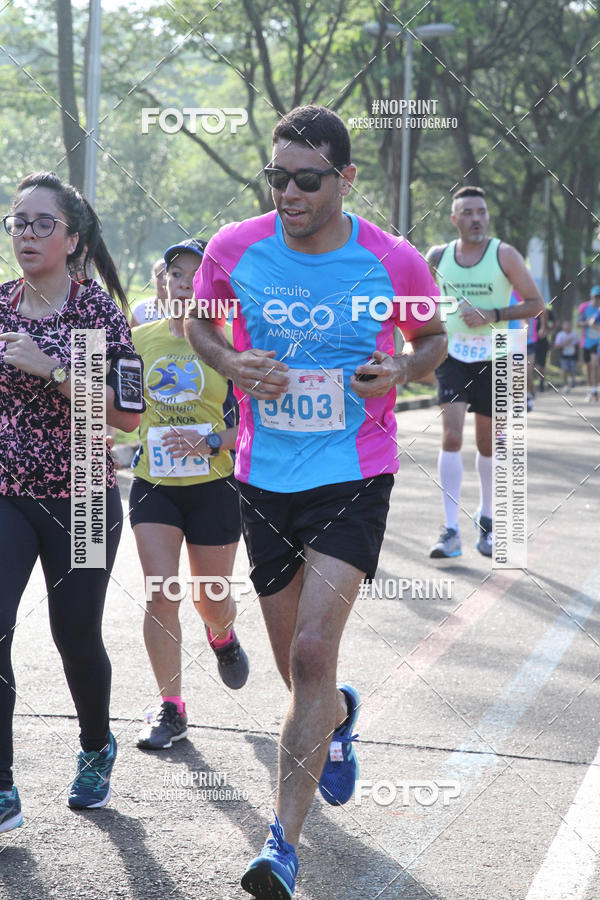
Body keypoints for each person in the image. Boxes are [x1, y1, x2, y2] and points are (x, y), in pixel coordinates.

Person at [186, 105, 447, 899]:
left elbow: (432, 339)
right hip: (265, 477)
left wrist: (402, 372)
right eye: (278, 178)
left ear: (344, 179)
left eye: (306, 179)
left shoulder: (391, 259)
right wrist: (233, 362)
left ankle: (281, 849)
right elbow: (200, 321)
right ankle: (335, 716)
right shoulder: (236, 246)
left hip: (354, 471)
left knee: (307, 652)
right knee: (297, 674)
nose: (289, 193)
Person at [0, 171, 140, 832]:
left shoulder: (98, 313)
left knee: (74, 634)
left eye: (40, 223)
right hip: (8, 493)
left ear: (71, 236)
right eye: (17, 222)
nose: (26, 234)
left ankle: (94, 747)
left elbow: (128, 414)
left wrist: (52, 370)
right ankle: (2, 786)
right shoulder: (0, 305)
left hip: (83, 496)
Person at [130, 237, 248, 752]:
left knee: (211, 599)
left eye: (197, 274)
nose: (185, 282)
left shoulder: (228, 347)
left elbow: (252, 425)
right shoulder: (138, 340)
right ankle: (171, 707)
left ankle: (221, 634)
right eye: (177, 273)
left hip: (214, 486)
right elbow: (123, 409)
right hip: (154, 486)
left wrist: (208, 440)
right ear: (164, 281)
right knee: (161, 591)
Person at [426, 186, 544, 559]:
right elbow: (424, 304)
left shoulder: (503, 254)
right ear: (454, 219)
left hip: (494, 356)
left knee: (488, 443)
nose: (476, 219)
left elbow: (536, 304)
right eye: (468, 213)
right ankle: (449, 530)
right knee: (451, 435)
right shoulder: (438, 256)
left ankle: (488, 520)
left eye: (481, 212)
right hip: (452, 356)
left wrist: (493, 315)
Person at [577, 285, 600, 401]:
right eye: (595, 297)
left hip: (598, 342)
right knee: (589, 367)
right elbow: (578, 323)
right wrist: (589, 322)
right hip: (586, 342)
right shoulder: (584, 307)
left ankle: (595, 391)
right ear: (591, 296)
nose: (597, 299)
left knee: (595, 365)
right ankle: (591, 390)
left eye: (599, 297)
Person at [130, 258, 168, 328]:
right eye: (159, 276)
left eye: (168, 277)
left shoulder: (185, 312)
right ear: (153, 279)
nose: (164, 281)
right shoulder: (140, 310)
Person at [554, 319, 578, 391]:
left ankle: (572, 380)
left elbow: (578, 345)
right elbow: (556, 346)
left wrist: (580, 357)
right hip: (564, 355)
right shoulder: (560, 335)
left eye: (569, 325)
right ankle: (566, 385)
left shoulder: (575, 334)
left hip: (573, 354)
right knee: (565, 370)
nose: (567, 326)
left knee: (572, 370)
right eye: (566, 325)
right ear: (562, 326)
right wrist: (565, 343)